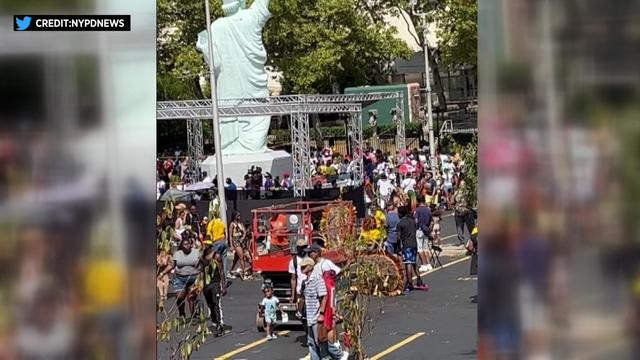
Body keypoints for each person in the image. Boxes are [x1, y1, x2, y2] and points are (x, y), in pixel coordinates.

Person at [305, 244, 346, 360]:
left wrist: (332, 301)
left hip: (327, 296)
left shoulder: (325, 264)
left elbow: (334, 277)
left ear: (316, 253)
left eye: (311, 252)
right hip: (320, 298)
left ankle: (335, 348)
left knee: (329, 322)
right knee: (324, 326)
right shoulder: (315, 266)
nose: (309, 255)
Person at [158, 238, 201, 318]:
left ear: (191, 245)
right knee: (179, 296)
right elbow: (172, 265)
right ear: (181, 246)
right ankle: (181, 313)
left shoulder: (196, 253)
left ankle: (194, 316)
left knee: (191, 297)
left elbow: (202, 263)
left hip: (193, 278)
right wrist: (162, 273)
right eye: (184, 244)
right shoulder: (177, 254)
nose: (186, 246)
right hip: (180, 278)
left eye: (188, 244)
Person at [300, 257, 328, 360]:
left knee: (320, 342)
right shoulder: (306, 281)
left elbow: (324, 296)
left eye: (304, 266)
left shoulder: (316, 279)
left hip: (316, 318)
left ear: (310, 267)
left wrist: (321, 313)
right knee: (311, 343)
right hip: (310, 318)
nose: (302, 268)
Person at [396, 206, 428, 292]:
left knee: (408, 263)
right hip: (414, 244)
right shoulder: (412, 221)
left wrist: (398, 247)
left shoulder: (400, 224)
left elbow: (398, 237)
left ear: (400, 214)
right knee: (414, 263)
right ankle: (419, 279)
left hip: (406, 245)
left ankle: (410, 282)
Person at [201, 245, 226, 336]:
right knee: (210, 304)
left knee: (216, 303)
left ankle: (220, 324)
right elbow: (200, 271)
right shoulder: (202, 257)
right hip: (206, 284)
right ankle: (214, 320)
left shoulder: (216, 256)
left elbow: (221, 271)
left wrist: (223, 285)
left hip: (215, 283)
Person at [452, 179, 476, 246]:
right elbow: (472, 202)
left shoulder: (457, 192)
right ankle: (473, 240)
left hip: (461, 211)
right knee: (470, 227)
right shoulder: (468, 193)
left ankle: (464, 241)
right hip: (465, 211)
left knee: (460, 227)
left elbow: (452, 201)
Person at [415, 195, 434, 272]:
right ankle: (428, 264)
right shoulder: (428, 209)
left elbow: (416, 220)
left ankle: (423, 264)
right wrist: (429, 228)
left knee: (420, 249)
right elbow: (432, 221)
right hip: (426, 230)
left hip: (419, 229)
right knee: (426, 248)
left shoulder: (417, 210)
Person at [228, 211, 249, 279]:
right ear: (235, 216)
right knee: (241, 257)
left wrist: (243, 237)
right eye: (238, 216)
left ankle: (230, 271)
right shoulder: (232, 224)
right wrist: (231, 245)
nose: (239, 217)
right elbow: (230, 236)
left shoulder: (240, 223)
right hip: (235, 241)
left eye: (239, 215)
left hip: (241, 241)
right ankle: (243, 273)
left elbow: (245, 231)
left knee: (236, 259)